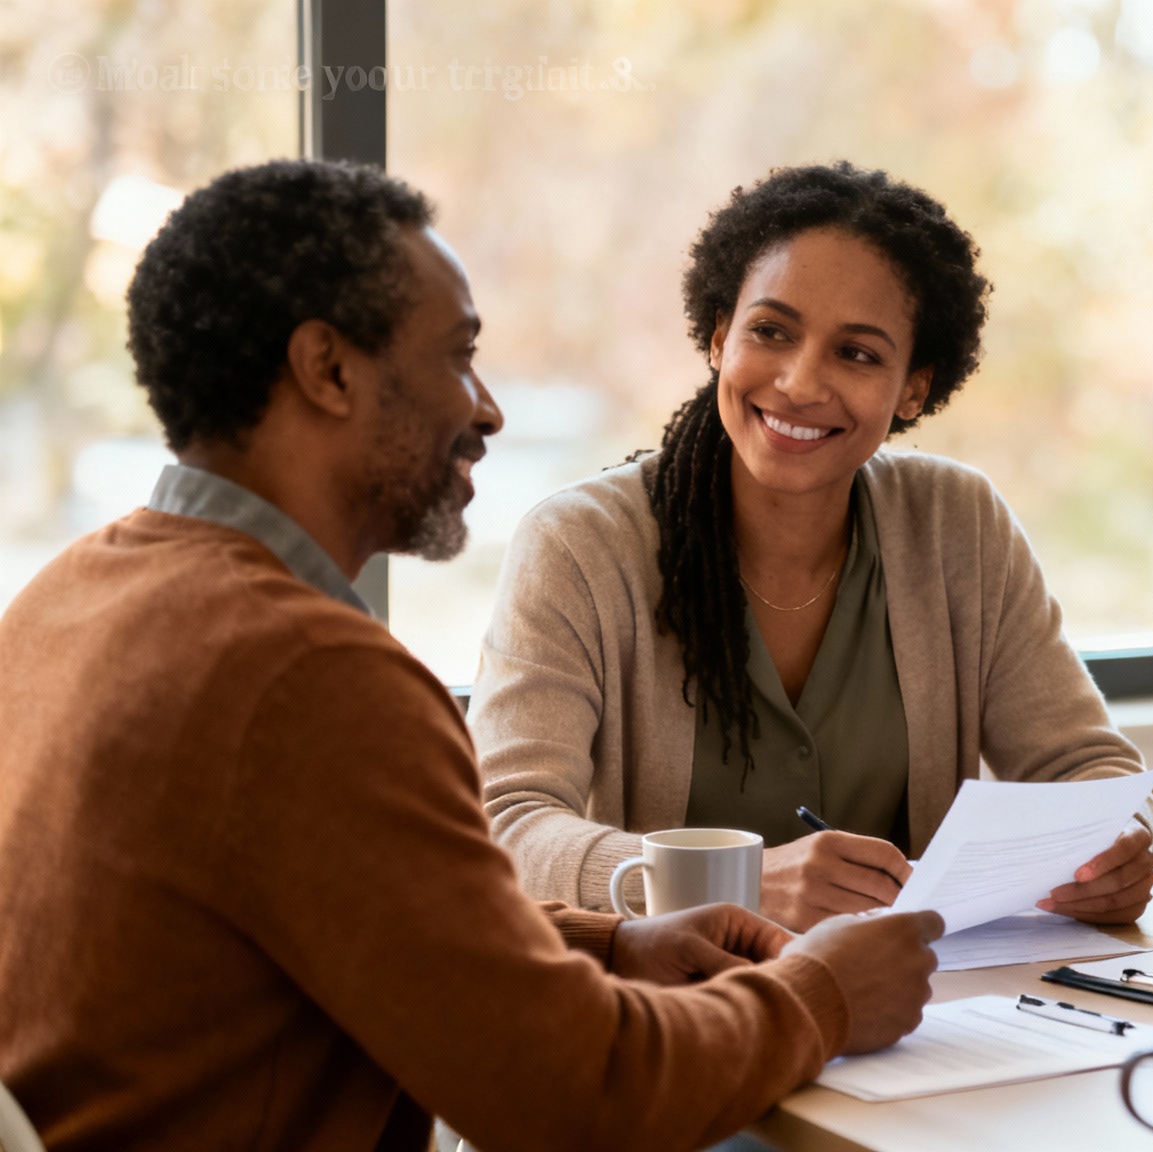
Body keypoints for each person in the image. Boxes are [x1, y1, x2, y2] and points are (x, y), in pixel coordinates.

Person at [0, 159, 943, 1152]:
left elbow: (358, 928)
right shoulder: (308, 678)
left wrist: (609, 941)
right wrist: (823, 994)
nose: (486, 407)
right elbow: (578, 1098)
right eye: (457, 357)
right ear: (328, 370)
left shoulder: (65, 599)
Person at [470, 162, 1153, 932]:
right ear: (717, 338)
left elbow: (1089, 771)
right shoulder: (577, 547)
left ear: (913, 389)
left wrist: (1123, 846)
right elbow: (504, 826)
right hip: (677, 1011)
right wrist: (730, 884)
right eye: (770, 332)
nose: (800, 383)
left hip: (925, 1012)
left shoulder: (958, 525)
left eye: (857, 353)